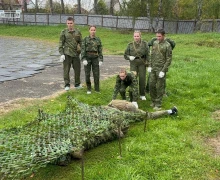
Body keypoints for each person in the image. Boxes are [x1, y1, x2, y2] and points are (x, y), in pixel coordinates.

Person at [148, 29, 172, 110]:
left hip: (161, 69)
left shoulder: (167, 45)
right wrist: (150, 65)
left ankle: (158, 104)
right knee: (151, 85)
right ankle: (153, 100)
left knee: (159, 87)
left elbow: (169, 59)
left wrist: (163, 70)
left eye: (159, 36)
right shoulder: (155, 43)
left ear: (163, 35)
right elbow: (152, 55)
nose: (158, 38)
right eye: (157, 36)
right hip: (153, 68)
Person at [124, 31, 150, 101]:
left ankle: (142, 94)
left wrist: (149, 65)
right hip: (133, 63)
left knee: (142, 79)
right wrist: (129, 57)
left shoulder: (145, 44)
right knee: (133, 79)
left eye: (137, 36)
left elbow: (148, 55)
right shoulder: (130, 45)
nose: (136, 38)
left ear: (140, 36)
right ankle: (132, 94)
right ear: (133, 37)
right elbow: (125, 55)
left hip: (142, 63)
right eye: (135, 36)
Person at [59, 16, 82, 91]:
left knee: (77, 70)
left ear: (73, 23)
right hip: (67, 54)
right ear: (66, 23)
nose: (70, 25)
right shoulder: (63, 32)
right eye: (68, 23)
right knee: (66, 70)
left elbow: (81, 42)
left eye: (71, 23)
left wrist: (81, 52)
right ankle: (67, 84)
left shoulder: (78, 32)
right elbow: (60, 44)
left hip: (76, 54)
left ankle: (77, 84)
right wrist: (62, 54)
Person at [81, 25, 103, 94]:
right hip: (87, 57)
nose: (93, 31)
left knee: (96, 74)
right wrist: (83, 59)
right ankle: (89, 88)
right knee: (87, 74)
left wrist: (101, 59)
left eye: (94, 30)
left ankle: (97, 89)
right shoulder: (85, 39)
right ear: (89, 30)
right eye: (91, 30)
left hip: (95, 58)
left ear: (95, 31)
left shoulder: (98, 39)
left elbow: (100, 50)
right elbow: (83, 50)